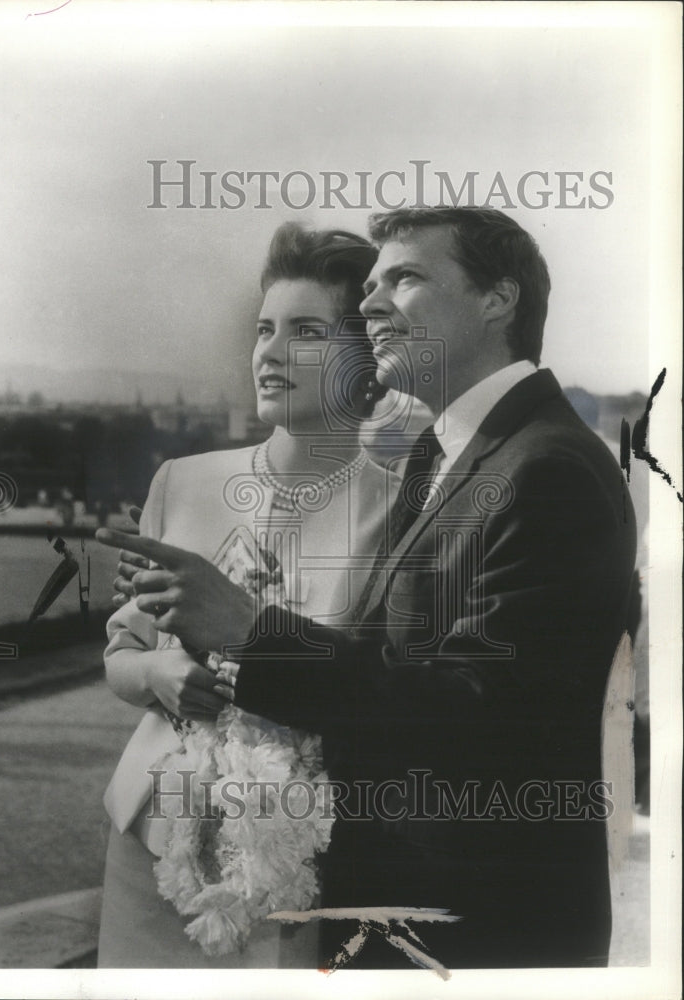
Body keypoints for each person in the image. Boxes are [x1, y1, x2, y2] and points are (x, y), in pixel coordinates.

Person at [99, 207, 638, 969]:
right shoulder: (448, 459)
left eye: (406, 278)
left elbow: (478, 714)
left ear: (498, 299)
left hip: (479, 928)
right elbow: (395, 664)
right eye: (373, 285)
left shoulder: (548, 469)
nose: (375, 302)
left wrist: (251, 633)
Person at [96, 223, 399, 967]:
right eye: (264, 329)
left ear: (366, 360)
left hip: (298, 861)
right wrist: (159, 676)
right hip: (149, 843)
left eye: (305, 331)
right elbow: (121, 654)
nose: (270, 351)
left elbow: (387, 690)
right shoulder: (183, 481)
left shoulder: (404, 509)